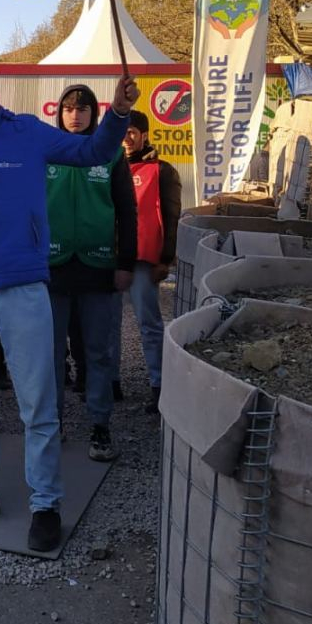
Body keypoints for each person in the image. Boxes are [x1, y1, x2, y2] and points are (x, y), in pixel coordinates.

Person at [0, 60, 137, 553]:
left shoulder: (26, 133)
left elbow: (93, 152)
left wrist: (119, 112)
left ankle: (46, 501)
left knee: (37, 401)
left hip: (23, 284)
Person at [46, 85, 138, 464]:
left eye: (82, 109)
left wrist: (126, 263)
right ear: (59, 113)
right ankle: (51, 423)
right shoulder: (46, 151)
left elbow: (127, 212)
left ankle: (100, 425)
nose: (75, 115)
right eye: (68, 108)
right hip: (51, 268)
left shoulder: (112, 153)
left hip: (99, 268)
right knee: (48, 353)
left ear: (93, 114)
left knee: (98, 352)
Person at [122, 110, 182, 415]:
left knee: (149, 325)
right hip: (110, 261)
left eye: (132, 131)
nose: (126, 137)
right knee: (106, 326)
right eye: (122, 131)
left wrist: (166, 258)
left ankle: (160, 386)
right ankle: (110, 384)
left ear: (144, 134)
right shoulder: (106, 167)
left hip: (144, 261)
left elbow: (172, 217)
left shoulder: (163, 170)